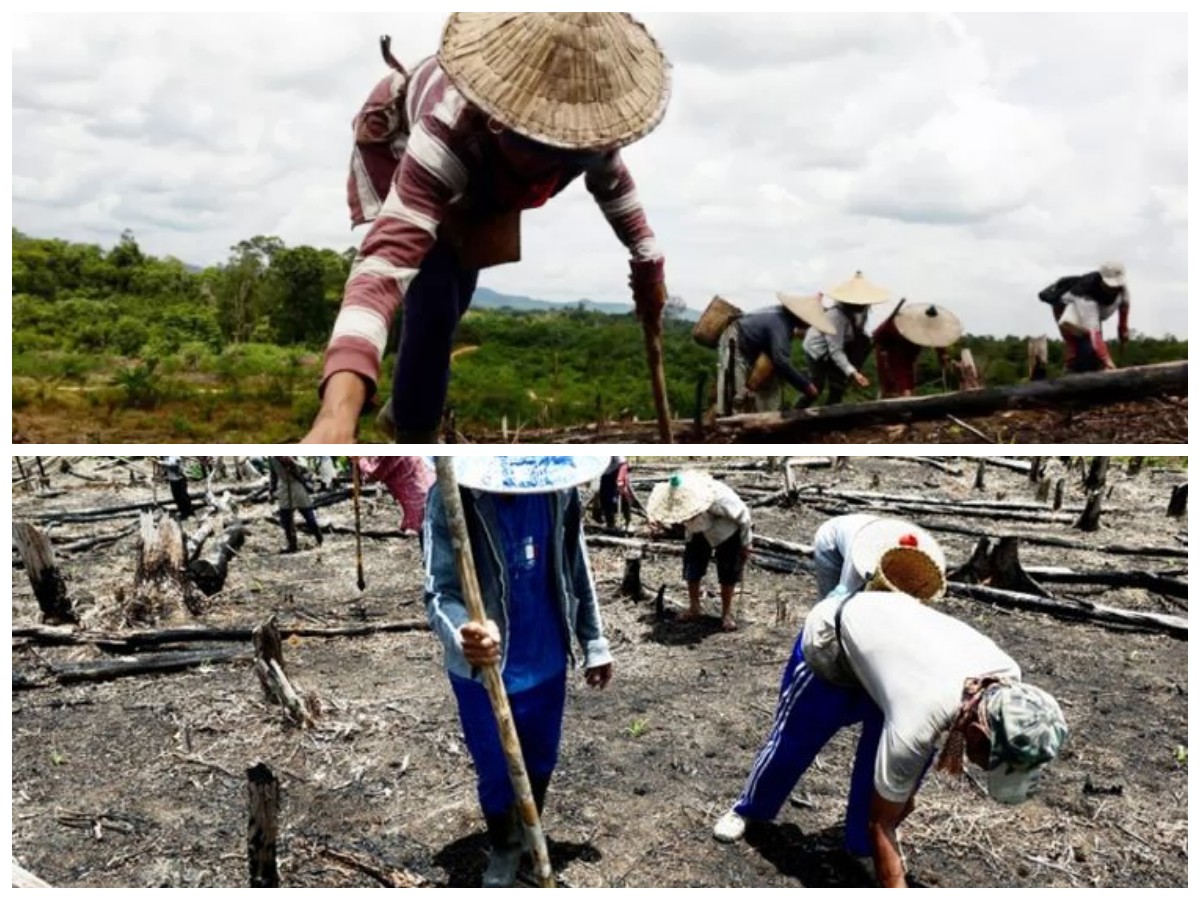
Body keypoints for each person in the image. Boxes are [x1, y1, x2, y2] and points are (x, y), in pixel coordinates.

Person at [305, 13, 673, 444]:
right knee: (435, 300)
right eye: (539, 148)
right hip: (400, 143)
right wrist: (337, 411)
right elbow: (383, 265)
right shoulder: (447, 131)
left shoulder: (589, 138)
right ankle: (415, 434)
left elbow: (617, 191)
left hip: (483, 181)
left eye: (565, 154)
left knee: (458, 292)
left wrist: (649, 269)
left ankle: (406, 402)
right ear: (499, 123)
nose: (553, 164)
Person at [713, 518, 1068, 889]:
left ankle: (858, 848)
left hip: (895, 671)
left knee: (879, 779)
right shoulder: (921, 714)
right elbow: (883, 821)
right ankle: (748, 809)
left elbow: (895, 797)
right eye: (995, 762)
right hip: (833, 648)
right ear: (977, 733)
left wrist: (894, 807)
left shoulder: (1008, 676)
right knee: (792, 747)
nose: (987, 769)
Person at [423, 456, 615, 888]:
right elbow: (438, 591)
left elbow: (575, 566)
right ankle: (505, 844)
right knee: (495, 771)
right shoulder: (453, 497)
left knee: (541, 758)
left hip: (546, 661)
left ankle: (531, 830)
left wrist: (594, 642)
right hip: (484, 673)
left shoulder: (558, 489)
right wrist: (464, 633)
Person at [646, 471, 752, 633]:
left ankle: (726, 614)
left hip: (726, 533)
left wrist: (746, 543)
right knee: (692, 568)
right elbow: (672, 516)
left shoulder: (719, 499)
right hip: (696, 533)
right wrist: (660, 524)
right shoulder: (676, 496)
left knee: (728, 573)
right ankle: (694, 607)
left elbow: (744, 517)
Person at [716, 293, 835, 415]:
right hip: (735, 340)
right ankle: (727, 420)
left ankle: (762, 416)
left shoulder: (782, 317)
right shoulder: (780, 323)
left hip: (753, 347)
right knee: (735, 391)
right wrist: (806, 386)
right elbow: (781, 361)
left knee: (767, 387)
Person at [804, 272, 892, 405]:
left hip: (841, 346)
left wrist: (854, 365)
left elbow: (858, 335)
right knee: (816, 387)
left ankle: (832, 415)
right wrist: (853, 372)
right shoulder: (836, 316)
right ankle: (795, 415)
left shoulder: (861, 313)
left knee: (838, 385)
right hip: (818, 350)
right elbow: (835, 349)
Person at [1040, 263, 1131, 374]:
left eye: (1116, 287)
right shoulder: (1086, 297)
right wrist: (1108, 361)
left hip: (1094, 312)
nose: (1113, 289)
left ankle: (1098, 368)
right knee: (1081, 346)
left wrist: (1123, 332)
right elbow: (1094, 333)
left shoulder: (1123, 290)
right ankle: (1071, 370)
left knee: (1094, 349)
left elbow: (1124, 311)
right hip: (1066, 309)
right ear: (1102, 280)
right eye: (1110, 286)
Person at [872, 302, 962, 399]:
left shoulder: (932, 327)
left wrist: (943, 356)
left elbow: (937, 338)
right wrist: (905, 390)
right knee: (895, 389)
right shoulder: (899, 323)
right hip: (891, 354)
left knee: (910, 384)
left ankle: (906, 397)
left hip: (910, 356)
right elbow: (877, 337)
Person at [358, 456, 435, 536]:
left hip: (419, 500)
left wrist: (359, 459)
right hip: (431, 489)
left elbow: (372, 473)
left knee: (427, 535)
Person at [268, 457, 324, 554]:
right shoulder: (272, 458)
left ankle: (319, 538)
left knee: (308, 515)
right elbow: (273, 475)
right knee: (286, 519)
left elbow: (305, 468)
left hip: (297, 486)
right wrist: (271, 490)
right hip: (284, 488)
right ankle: (292, 545)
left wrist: (292, 463)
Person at [597, 456, 632, 531]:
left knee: (623, 496)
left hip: (617, 472)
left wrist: (620, 478)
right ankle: (610, 524)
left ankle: (628, 522)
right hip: (605, 475)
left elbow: (623, 464)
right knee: (605, 499)